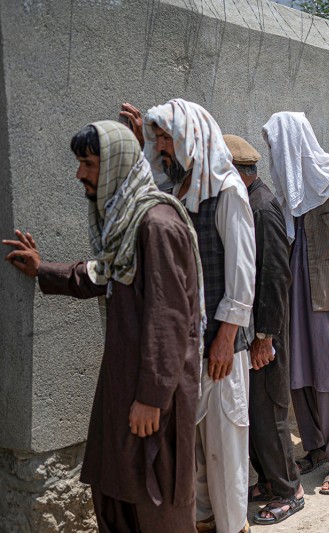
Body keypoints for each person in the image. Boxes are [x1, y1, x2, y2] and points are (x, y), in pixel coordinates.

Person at [4, 121, 203, 532]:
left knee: (157, 502)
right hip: (124, 385)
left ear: (115, 166)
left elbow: (170, 319)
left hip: (154, 394)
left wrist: (150, 397)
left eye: (89, 164)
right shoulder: (126, 225)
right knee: (116, 493)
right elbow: (102, 274)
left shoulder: (157, 225)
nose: (80, 174)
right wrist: (44, 270)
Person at [141, 100, 257, 533]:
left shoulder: (226, 189)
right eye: (158, 140)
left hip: (221, 345)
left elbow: (243, 271)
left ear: (191, 137)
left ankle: (233, 526)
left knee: (225, 448)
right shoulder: (176, 189)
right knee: (193, 448)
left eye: (167, 138)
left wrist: (226, 336)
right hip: (188, 348)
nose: (162, 148)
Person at [263, 112, 329, 495]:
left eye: (276, 145)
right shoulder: (290, 189)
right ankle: (315, 448)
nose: (274, 153)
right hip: (294, 294)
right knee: (299, 374)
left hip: (328, 297)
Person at [221, 135, 304, 526]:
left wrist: (265, 337)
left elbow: (273, 277)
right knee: (255, 411)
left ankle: (289, 490)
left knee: (269, 412)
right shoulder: (247, 203)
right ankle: (272, 482)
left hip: (265, 333)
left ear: (238, 171)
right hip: (255, 332)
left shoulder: (263, 207)